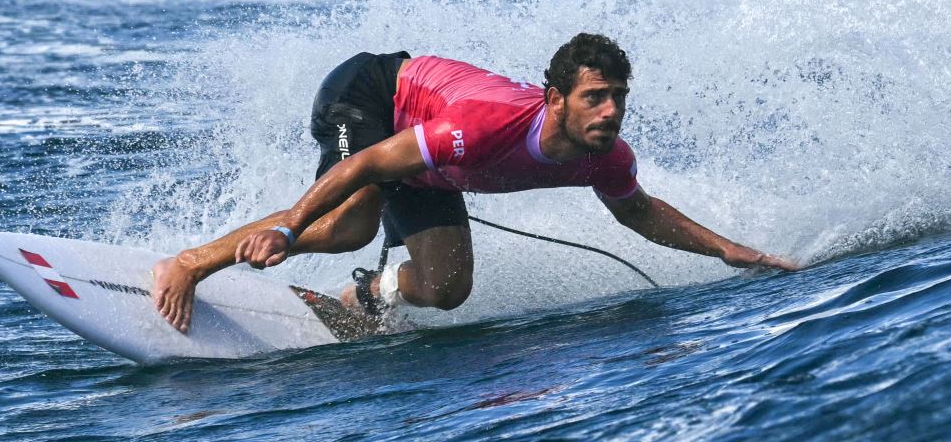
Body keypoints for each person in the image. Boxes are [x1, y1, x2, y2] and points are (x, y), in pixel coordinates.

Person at [150, 33, 795, 332]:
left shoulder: (606, 157)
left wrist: (728, 250)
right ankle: (188, 263)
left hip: (427, 159)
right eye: (596, 97)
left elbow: (642, 215)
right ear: (555, 100)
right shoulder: (486, 127)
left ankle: (359, 302)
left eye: (618, 98)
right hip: (373, 94)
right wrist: (289, 227)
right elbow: (370, 164)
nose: (610, 112)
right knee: (349, 227)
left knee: (445, 289)